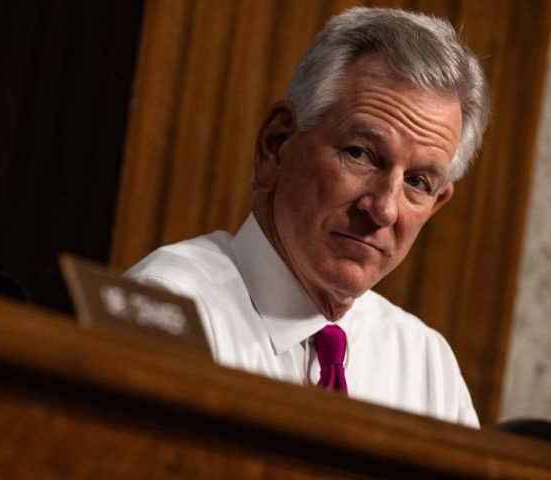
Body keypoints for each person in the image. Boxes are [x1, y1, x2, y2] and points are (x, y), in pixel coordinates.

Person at [126, 7, 489, 428]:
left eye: (418, 182)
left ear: (437, 204)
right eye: (360, 154)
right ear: (276, 145)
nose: (384, 209)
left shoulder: (426, 366)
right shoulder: (167, 309)